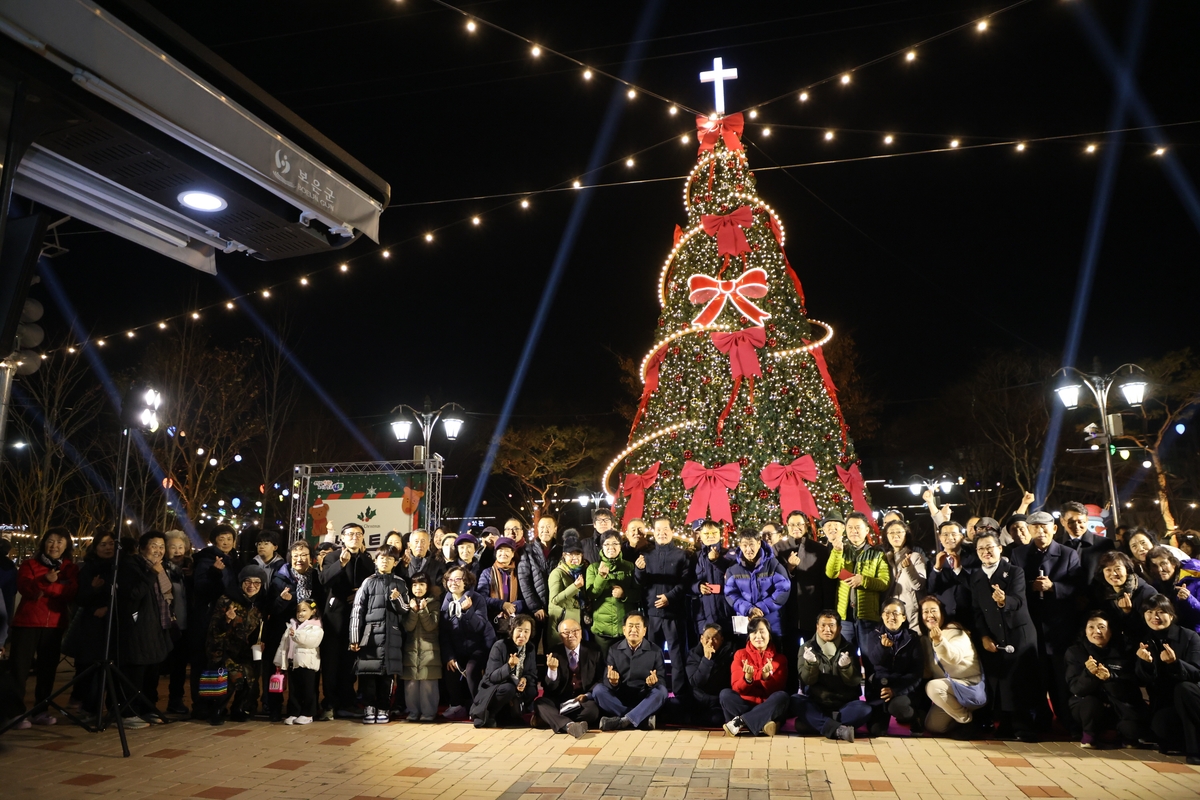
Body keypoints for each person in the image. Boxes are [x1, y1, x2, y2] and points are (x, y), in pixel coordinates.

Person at [1011, 510, 1082, 728]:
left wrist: (1054, 587)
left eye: (1044, 527)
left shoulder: (1068, 554)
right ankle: (1040, 721)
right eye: (1035, 527)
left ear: (1054, 529)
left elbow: (1078, 588)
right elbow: (1014, 587)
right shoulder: (1019, 554)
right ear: (1029, 530)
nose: (1040, 531)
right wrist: (1030, 586)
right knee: (1036, 676)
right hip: (1031, 625)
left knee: (1062, 678)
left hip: (1060, 627)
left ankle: (1068, 721)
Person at [968, 532, 1040, 741]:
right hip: (993, 636)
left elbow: (1018, 600)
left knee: (1020, 680)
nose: (986, 552)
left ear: (1000, 548)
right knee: (999, 682)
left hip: (1018, 634)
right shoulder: (976, 576)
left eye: (990, 547)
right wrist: (983, 636)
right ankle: (1005, 724)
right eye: (981, 549)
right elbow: (976, 610)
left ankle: (1025, 726)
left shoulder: (1014, 572)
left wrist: (1003, 600)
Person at [8, 527, 78, 725]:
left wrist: (45, 587)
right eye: (51, 541)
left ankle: (41, 710)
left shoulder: (70, 568)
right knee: (19, 670)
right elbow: (26, 589)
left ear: (66, 546)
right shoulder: (29, 564)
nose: (54, 545)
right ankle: (15, 712)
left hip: (55, 624)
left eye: (59, 542)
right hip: (27, 623)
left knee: (47, 671)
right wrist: (47, 582)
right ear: (44, 543)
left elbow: (70, 592)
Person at [115, 531, 175, 728]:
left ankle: (148, 709)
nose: (158, 550)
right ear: (142, 548)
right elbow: (133, 594)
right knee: (136, 669)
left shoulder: (159, 567)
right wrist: (152, 573)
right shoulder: (131, 565)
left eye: (161, 547)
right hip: (138, 626)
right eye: (154, 546)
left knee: (152, 669)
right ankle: (128, 713)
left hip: (157, 625)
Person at [319, 522, 375, 719]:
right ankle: (329, 703)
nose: (355, 537)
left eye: (359, 534)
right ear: (342, 538)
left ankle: (347, 702)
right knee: (331, 663)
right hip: (335, 618)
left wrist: (360, 594)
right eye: (350, 534)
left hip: (358, 619)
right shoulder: (332, 557)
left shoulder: (367, 560)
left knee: (350, 663)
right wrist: (340, 564)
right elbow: (324, 580)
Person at [1063, 612, 1144, 748]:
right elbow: (1076, 688)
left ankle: (1125, 735)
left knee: (1132, 729)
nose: (1097, 631)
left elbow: (1132, 685)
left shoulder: (1124, 651)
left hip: (1118, 702)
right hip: (1088, 704)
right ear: (1085, 631)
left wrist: (1110, 678)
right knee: (1090, 703)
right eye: (1091, 627)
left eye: (1102, 627)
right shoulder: (1075, 652)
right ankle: (1089, 735)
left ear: (1111, 631)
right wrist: (1089, 674)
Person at [350, 545, 410, 724]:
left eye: (389, 558)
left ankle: (384, 708)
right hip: (370, 637)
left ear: (395, 562)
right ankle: (369, 707)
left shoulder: (400, 582)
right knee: (368, 675)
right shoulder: (368, 582)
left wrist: (396, 599)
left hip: (392, 637)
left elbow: (405, 609)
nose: (385, 561)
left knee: (387, 676)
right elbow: (357, 610)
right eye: (382, 558)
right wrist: (354, 637)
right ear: (376, 560)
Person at [1135, 594, 1200, 754]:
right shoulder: (1145, 640)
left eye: (1160, 612)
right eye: (1149, 612)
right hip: (1167, 705)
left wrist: (1175, 663)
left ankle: (1195, 752)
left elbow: (1197, 673)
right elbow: (1140, 678)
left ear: (1171, 615)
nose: (1154, 617)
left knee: (1183, 689)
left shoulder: (1190, 637)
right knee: (1161, 726)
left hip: (1193, 699)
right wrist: (1145, 663)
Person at [60, 531, 116, 720]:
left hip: (114, 622)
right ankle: (86, 704)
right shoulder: (88, 568)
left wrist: (109, 607)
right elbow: (80, 598)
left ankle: (102, 704)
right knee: (89, 665)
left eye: (111, 544)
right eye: (103, 544)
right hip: (91, 624)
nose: (108, 548)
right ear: (95, 547)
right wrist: (93, 589)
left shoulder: (120, 567)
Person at [790, 610, 869, 742]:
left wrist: (846, 668)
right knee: (795, 700)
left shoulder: (849, 648)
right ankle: (838, 729)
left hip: (844, 705)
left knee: (864, 709)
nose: (827, 629)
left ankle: (819, 724)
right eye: (823, 625)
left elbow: (855, 681)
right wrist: (811, 665)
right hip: (818, 703)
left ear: (839, 628)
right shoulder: (807, 648)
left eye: (832, 625)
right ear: (817, 627)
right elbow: (806, 680)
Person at [189, 524, 243, 717]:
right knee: (203, 662)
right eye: (222, 538)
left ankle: (216, 704)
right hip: (207, 618)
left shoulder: (234, 560)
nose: (226, 542)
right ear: (214, 540)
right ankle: (201, 706)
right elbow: (201, 589)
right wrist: (214, 573)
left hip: (225, 618)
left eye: (229, 538)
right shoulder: (207, 560)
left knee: (220, 661)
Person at [635, 517, 690, 696]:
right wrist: (639, 570)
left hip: (673, 614)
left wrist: (669, 597)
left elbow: (685, 583)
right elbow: (640, 583)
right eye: (658, 530)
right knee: (652, 657)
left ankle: (680, 696)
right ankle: (655, 694)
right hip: (652, 615)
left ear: (672, 531)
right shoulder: (646, 556)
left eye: (665, 529)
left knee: (677, 658)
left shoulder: (682, 555)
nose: (661, 533)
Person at [205, 566, 266, 725]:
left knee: (249, 678)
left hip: (246, 651)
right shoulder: (227, 600)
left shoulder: (260, 602)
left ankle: (238, 709)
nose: (252, 586)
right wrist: (226, 621)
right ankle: (217, 710)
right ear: (241, 582)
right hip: (225, 649)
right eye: (248, 581)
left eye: (257, 582)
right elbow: (213, 630)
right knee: (230, 678)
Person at [824, 512, 890, 655]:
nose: (854, 531)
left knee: (870, 657)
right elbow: (831, 573)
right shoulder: (841, 550)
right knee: (846, 658)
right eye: (850, 527)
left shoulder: (877, 554)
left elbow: (884, 582)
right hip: (845, 616)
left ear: (866, 530)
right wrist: (836, 552)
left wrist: (864, 580)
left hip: (868, 617)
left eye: (857, 527)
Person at [918, 596, 985, 734]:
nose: (929, 615)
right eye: (925, 612)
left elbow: (954, 657)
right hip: (950, 691)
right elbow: (927, 672)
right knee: (933, 726)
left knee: (932, 687)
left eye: (933, 611)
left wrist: (939, 641)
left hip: (968, 686)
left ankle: (968, 721)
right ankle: (964, 717)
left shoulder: (955, 631)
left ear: (942, 612)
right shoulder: (925, 639)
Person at [439, 565, 495, 720]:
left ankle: (479, 707)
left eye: (458, 579)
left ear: (466, 582)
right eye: (450, 580)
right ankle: (456, 706)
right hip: (458, 648)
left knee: (471, 670)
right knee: (450, 668)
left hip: (479, 646)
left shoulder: (476, 599)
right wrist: (449, 656)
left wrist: (467, 611)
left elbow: (479, 627)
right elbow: (444, 633)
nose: (453, 583)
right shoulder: (447, 601)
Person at [861, 599, 924, 736]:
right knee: (876, 731)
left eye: (896, 613)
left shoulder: (912, 638)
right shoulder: (873, 635)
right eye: (887, 613)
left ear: (903, 617)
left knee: (898, 707)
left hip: (901, 690)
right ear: (882, 616)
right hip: (880, 690)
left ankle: (914, 717)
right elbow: (874, 661)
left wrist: (895, 690)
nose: (891, 617)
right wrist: (883, 648)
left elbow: (916, 673)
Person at [595, 613, 667, 731]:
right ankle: (640, 719)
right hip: (620, 698)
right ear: (624, 630)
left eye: (638, 626)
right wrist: (613, 682)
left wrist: (652, 684)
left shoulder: (656, 651)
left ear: (644, 630)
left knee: (661, 692)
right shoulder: (614, 649)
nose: (633, 630)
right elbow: (605, 680)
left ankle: (623, 721)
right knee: (598, 691)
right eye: (630, 626)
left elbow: (662, 682)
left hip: (644, 698)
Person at [720, 617, 789, 737]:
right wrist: (748, 678)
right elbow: (736, 688)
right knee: (725, 695)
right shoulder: (740, 655)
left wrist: (766, 678)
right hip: (746, 703)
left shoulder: (780, 659)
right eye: (754, 632)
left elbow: (778, 688)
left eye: (762, 631)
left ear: (769, 634)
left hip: (768, 704)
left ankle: (740, 722)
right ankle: (764, 723)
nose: (758, 636)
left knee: (782, 697)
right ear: (749, 636)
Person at [534, 618, 601, 738]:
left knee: (593, 711)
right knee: (540, 703)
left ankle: (554, 719)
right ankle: (569, 725)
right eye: (566, 633)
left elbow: (600, 679)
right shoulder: (553, 653)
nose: (571, 635)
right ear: (560, 636)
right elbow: (549, 688)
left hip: (581, 700)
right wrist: (552, 670)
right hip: (559, 700)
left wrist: (587, 695)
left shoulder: (594, 651)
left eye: (575, 631)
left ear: (581, 632)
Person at [470, 614, 538, 727]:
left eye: (527, 631)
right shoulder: (500, 646)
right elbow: (491, 677)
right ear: (512, 630)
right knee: (508, 688)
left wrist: (524, 679)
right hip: (495, 688)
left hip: (516, 687)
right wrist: (509, 666)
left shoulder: (530, 648)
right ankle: (489, 714)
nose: (522, 635)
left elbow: (532, 673)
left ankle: (511, 715)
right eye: (519, 630)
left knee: (531, 690)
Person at [724, 528, 792, 637]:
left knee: (772, 650)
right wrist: (748, 609)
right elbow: (730, 593)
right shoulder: (733, 568)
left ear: (759, 543)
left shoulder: (772, 564)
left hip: (770, 619)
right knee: (745, 651)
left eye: (751, 544)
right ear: (740, 545)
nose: (748, 549)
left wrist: (761, 608)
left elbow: (784, 588)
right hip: (745, 619)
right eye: (744, 545)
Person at [587, 531, 638, 657]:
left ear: (620, 546)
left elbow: (639, 594)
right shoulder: (593, 568)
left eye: (615, 543)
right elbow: (591, 594)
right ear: (601, 547)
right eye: (607, 544)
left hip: (625, 629)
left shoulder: (629, 567)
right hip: (602, 630)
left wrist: (624, 594)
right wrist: (601, 577)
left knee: (624, 665)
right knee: (604, 667)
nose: (611, 547)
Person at [274, 599, 323, 725]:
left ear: (313, 611)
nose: (300, 614)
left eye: (304, 610)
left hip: (307, 663)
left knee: (308, 690)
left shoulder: (316, 627)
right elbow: (283, 646)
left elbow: (311, 642)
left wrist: (296, 635)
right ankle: (294, 712)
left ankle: (308, 713)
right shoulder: (291, 626)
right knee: (294, 690)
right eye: (298, 611)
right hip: (293, 663)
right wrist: (279, 662)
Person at [400, 571, 440, 722]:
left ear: (427, 586)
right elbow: (408, 627)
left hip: (430, 650)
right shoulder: (407, 602)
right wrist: (413, 610)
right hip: (411, 650)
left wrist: (422, 610)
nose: (418, 588)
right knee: (411, 684)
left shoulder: (434, 603)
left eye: (422, 584)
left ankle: (429, 713)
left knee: (428, 683)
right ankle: (413, 712)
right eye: (415, 585)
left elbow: (431, 626)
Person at [1090, 551, 1157, 640]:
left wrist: (1128, 612)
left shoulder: (1147, 592)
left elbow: (1151, 627)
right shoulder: (1103, 593)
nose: (1113, 574)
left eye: (1117, 568)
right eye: (1108, 570)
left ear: (1127, 570)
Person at [160, 530, 192, 714]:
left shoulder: (188, 571)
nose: (178, 550)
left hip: (184, 626)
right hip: (164, 626)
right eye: (173, 547)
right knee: (159, 665)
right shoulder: (160, 570)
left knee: (179, 667)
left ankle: (175, 700)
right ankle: (149, 700)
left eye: (181, 546)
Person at [927, 520, 978, 626]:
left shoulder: (974, 559)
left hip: (971, 615)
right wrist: (937, 569)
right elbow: (931, 589)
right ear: (940, 538)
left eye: (954, 534)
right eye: (945, 534)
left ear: (962, 537)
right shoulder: (933, 562)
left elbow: (975, 586)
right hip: (945, 616)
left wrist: (958, 569)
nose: (949, 537)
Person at [519, 517, 560, 643]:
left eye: (548, 527)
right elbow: (524, 580)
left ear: (555, 529)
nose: (545, 530)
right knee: (531, 646)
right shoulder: (527, 550)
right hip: (534, 610)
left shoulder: (561, 551)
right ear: (537, 529)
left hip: (555, 608)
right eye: (541, 527)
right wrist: (536, 607)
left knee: (553, 647)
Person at [686, 623, 735, 726]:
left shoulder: (729, 653)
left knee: (717, 719)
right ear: (701, 639)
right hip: (697, 699)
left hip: (716, 701)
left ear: (722, 639)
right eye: (707, 638)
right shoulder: (694, 654)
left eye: (715, 638)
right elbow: (695, 682)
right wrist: (706, 660)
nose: (711, 642)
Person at [880, 520, 926, 631]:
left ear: (906, 534)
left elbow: (919, 585)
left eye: (899, 532)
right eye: (891, 532)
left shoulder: (915, 557)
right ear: (886, 536)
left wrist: (909, 568)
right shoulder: (884, 559)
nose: (895, 535)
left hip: (910, 611)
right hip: (890, 611)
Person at [692, 521, 734, 640]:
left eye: (714, 533)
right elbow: (687, 581)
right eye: (706, 533)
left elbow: (735, 575)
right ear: (700, 535)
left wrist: (717, 561)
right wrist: (698, 586)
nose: (710, 536)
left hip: (726, 611)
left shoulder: (730, 554)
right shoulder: (695, 557)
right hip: (704, 613)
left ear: (719, 534)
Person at [1057, 500, 1114, 587]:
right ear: (1062, 521)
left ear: (1087, 520)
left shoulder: (1104, 544)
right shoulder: (1056, 545)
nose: (1077, 526)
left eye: (1080, 522)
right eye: (1071, 522)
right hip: (1064, 598)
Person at [1145, 545, 1200, 633]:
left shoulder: (1195, 580)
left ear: (1173, 563)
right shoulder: (1156, 586)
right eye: (1154, 566)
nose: (1160, 569)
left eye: (1164, 563)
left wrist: (1189, 599)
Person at [477, 537, 524, 638]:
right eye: (500, 550)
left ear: (512, 554)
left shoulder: (519, 573)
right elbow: (481, 597)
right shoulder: (487, 573)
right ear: (495, 553)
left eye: (507, 550)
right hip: (492, 620)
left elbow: (525, 597)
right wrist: (502, 605)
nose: (503, 553)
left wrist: (513, 607)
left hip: (514, 621)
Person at [548, 538, 587, 650]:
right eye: (571, 554)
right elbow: (555, 600)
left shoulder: (581, 572)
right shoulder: (557, 573)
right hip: (562, 626)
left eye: (578, 554)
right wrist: (575, 587)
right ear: (564, 555)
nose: (575, 558)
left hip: (576, 624)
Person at [399, 529, 443, 598]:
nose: (419, 545)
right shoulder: (401, 564)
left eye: (423, 542)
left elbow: (440, 590)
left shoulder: (437, 566)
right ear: (409, 544)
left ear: (429, 544)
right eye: (416, 542)